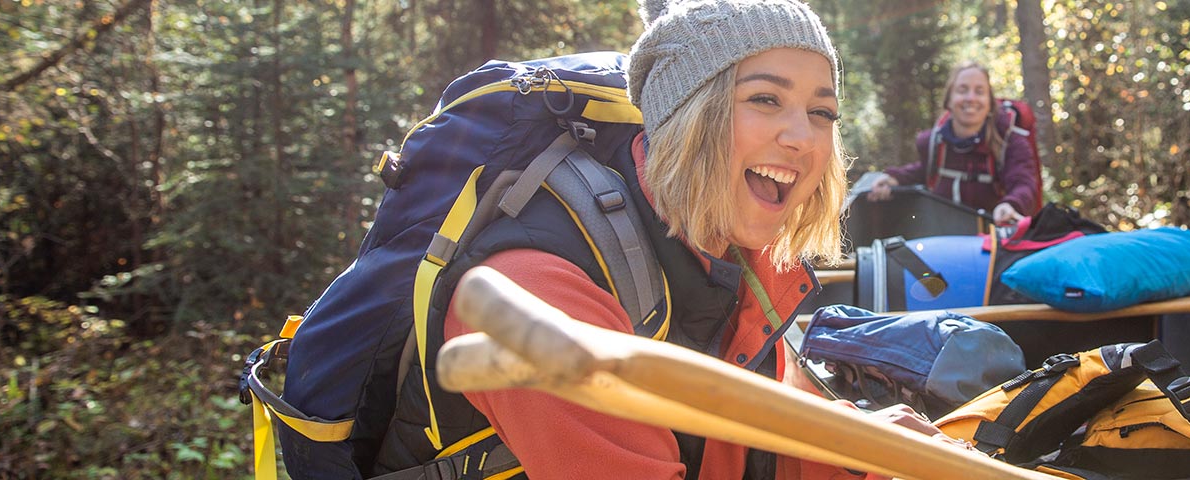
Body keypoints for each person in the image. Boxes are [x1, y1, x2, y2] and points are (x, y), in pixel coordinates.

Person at [435, 0, 913, 477]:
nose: (804, 138)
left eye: (822, 112)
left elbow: (769, 444)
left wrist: (869, 454)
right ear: (683, 115)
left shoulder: (742, 262)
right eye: (765, 99)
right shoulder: (537, 292)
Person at [863, 61, 1040, 226]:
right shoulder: (935, 144)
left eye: (979, 91)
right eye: (962, 90)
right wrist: (896, 178)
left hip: (992, 243)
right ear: (949, 100)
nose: (971, 98)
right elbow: (926, 170)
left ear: (990, 104)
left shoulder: (1010, 143)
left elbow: (1024, 183)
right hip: (943, 239)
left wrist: (1011, 205)